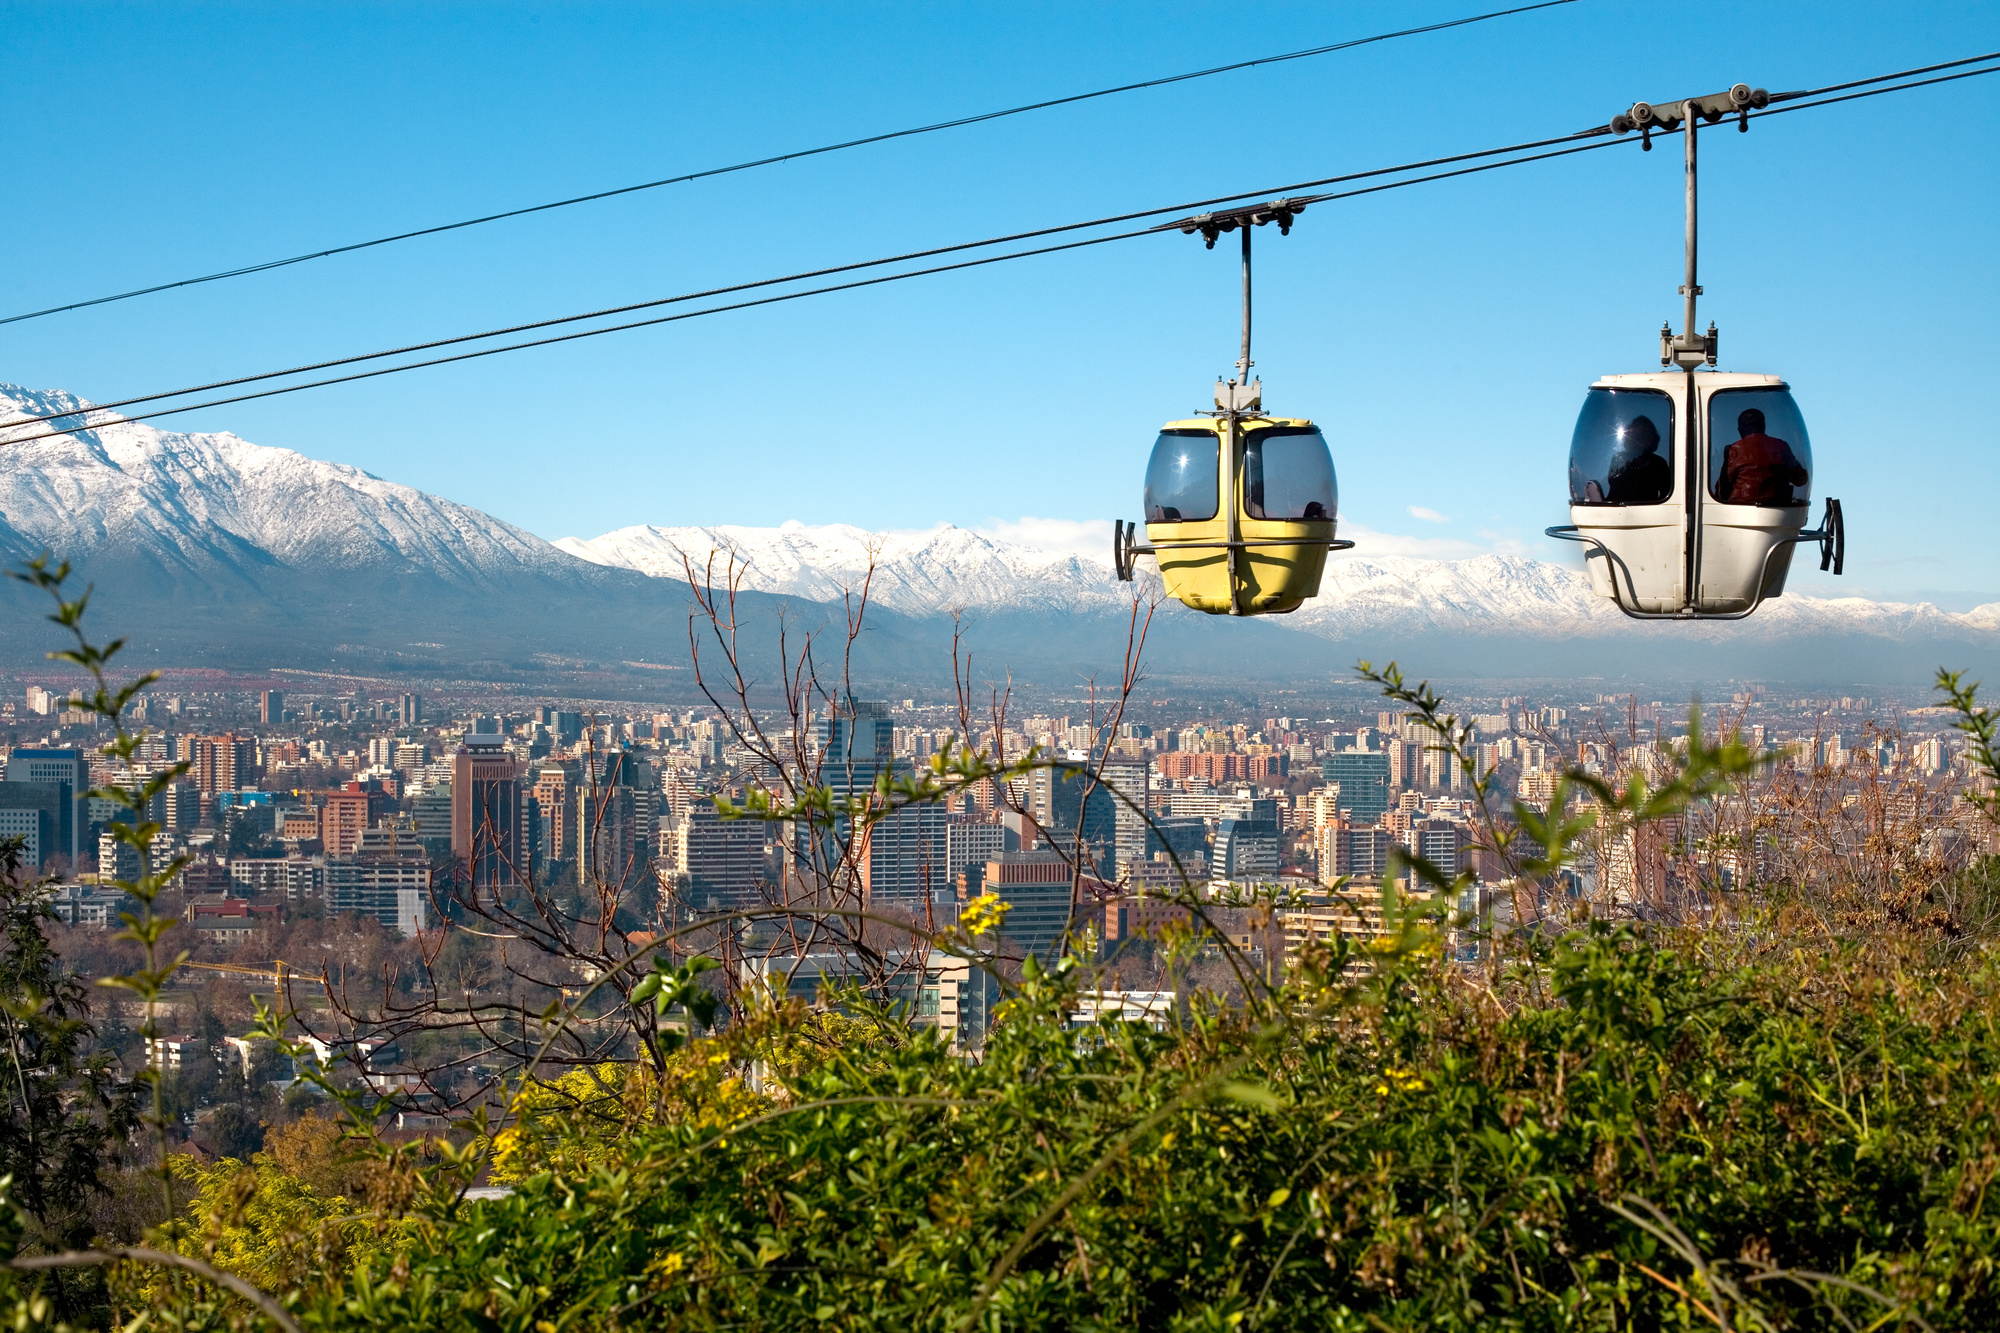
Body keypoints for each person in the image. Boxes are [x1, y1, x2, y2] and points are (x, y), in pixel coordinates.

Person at [1717, 407, 1808, 506]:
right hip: (1778, 509)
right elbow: (1800, 480)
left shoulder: (1734, 449)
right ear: (1763, 426)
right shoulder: (1781, 446)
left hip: (1740, 508)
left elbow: (1722, 488)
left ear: (1740, 430)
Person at [1604, 414, 1673, 504]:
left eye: (1641, 437)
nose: (1637, 442)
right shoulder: (1618, 459)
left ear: (1651, 439)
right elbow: (1613, 492)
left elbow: (1666, 499)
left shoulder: (1659, 464)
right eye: (1635, 438)